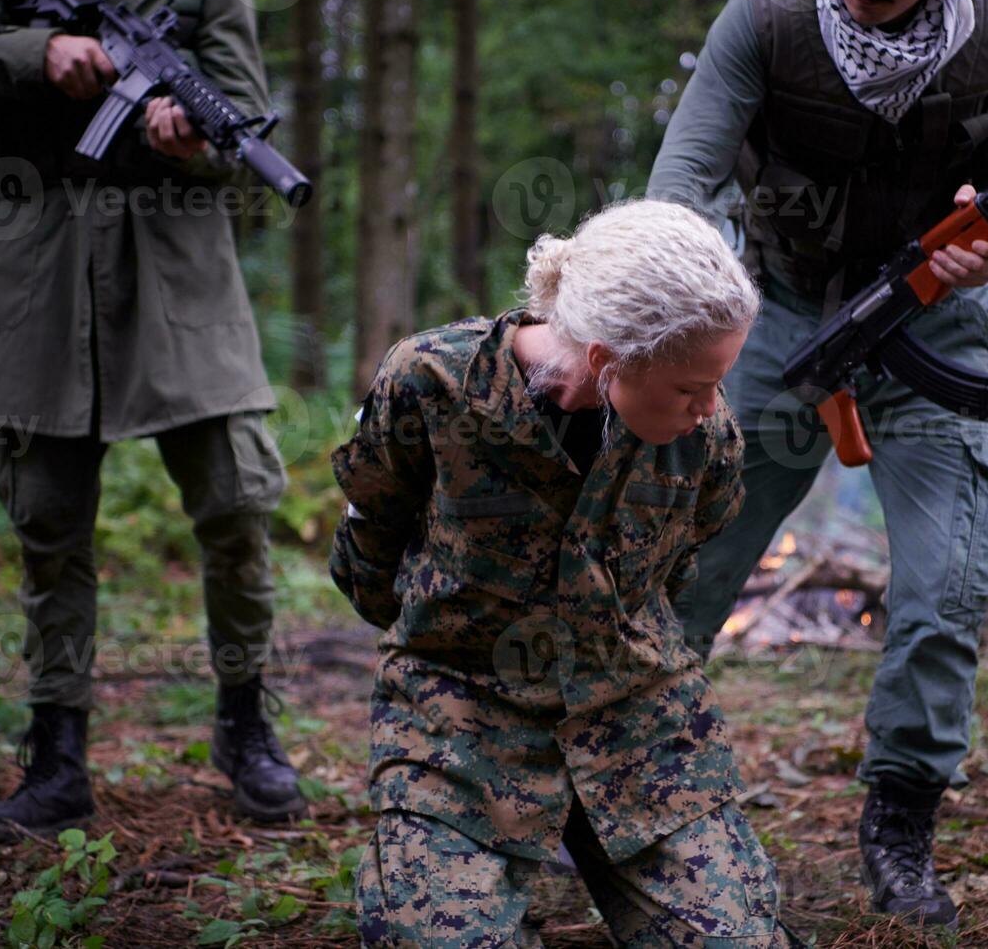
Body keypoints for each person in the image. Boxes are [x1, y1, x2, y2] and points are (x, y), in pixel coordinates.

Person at [647, 0, 988, 928]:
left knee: (949, 586)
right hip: (777, 321)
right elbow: (676, 190)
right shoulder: (766, 18)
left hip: (933, 330)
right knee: (679, 567)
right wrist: (679, 296)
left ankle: (900, 827)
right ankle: (641, 794)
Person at [0, 0, 305, 837]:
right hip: (42, 269)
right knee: (47, 516)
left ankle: (244, 724)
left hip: (179, 274)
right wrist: (36, 52)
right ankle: (56, 757)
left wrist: (188, 132)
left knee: (236, 498)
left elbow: (243, 109)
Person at [329, 199, 802, 946]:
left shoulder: (705, 440)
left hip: (634, 722)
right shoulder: (430, 384)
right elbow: (369, 542)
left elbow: (673, 577)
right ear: (607, 360)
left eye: (718, 383)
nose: (709, 408)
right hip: (462, 720)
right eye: (689, 388)